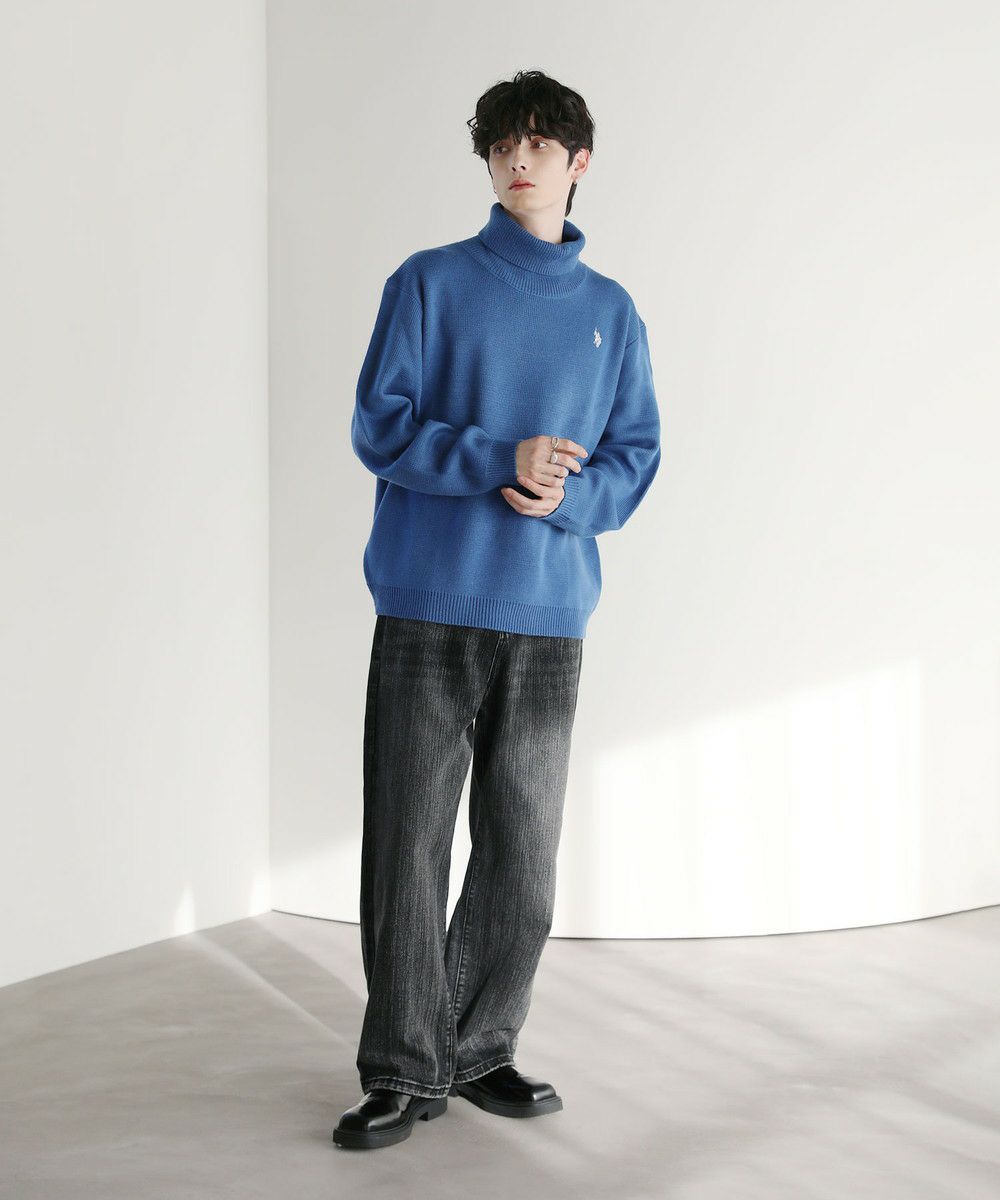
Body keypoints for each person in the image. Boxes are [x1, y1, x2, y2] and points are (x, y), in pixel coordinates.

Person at [333, 68, 661, 1151]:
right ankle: (402, 1068)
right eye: (500, 146)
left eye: (539, 145)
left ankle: (479, 1049)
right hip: (427, 603)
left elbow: (634, 455)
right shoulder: (428, 282)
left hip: (549, 613)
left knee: (522, 858)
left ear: (578, 162)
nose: (518, 161)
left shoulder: (612, 312)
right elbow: (379, 426)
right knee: (407, 847)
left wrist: (570, 498)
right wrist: (496, 459)